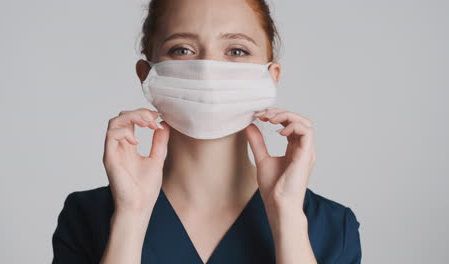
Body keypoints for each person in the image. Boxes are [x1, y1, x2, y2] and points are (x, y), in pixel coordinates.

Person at [51, 0, 362, 263]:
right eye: (182, 50)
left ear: (272, 75)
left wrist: (287, 218)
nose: (208, 69)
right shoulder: (87, 218)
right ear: (147, 74)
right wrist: (130, 215)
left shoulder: (333, 227)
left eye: (237, 51)